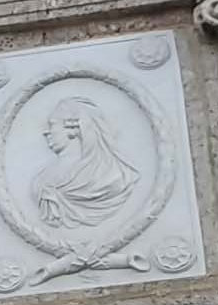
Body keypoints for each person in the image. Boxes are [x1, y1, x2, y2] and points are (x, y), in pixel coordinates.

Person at [31, 95, 140, 228]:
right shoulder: (43, 179)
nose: (46, 132)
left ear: (74, 128)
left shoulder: (112, 177)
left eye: (52, 124)